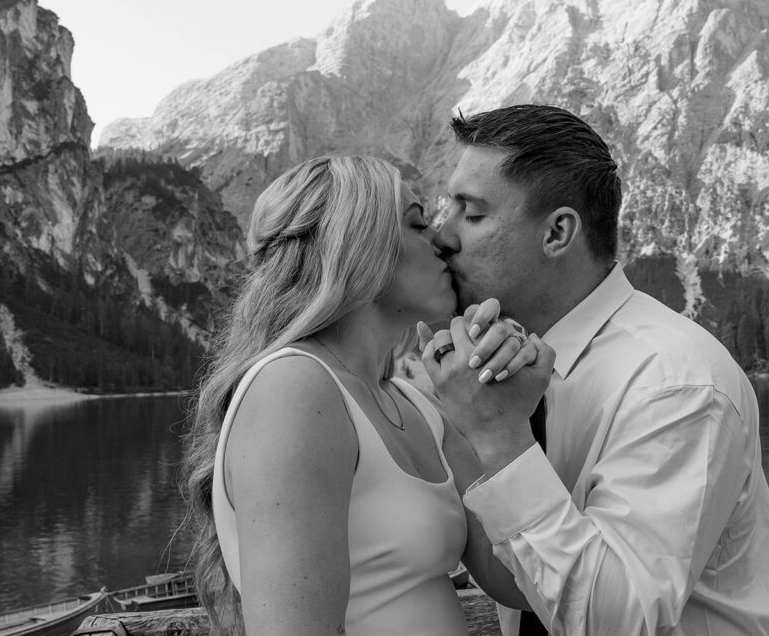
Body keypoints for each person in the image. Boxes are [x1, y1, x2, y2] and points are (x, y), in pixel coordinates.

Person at [420, 104, 769, 635]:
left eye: (473, 212)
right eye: (447, 209)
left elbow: (620, 624)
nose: (444, 235)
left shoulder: (671, 380)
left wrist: (497, 436)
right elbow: (523, 585)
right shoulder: (513, 372)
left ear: (557, 233)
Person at [180, 155, 552, 635]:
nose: (441, 241)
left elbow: (522, 584)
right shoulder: (294, 389)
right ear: (359, 248)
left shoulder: (416, 406)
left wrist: (502, 418)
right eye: (417, 224)